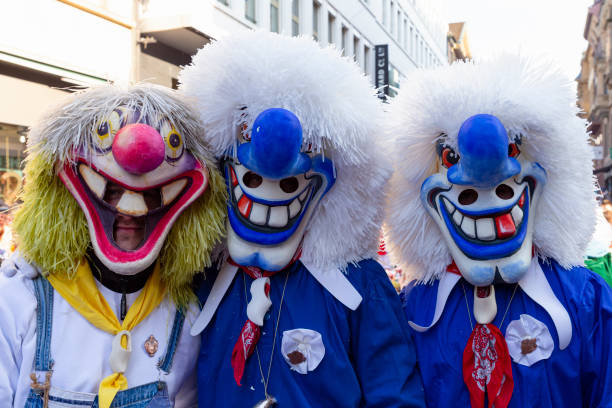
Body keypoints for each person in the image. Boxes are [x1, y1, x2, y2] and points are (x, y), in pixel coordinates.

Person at [180, 31, 425, 407]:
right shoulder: (203, 274)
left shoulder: (360, 286)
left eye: (290, 181)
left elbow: (394, 394)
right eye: (253, 178)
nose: (269, 188)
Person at [386, 55, 612, 407]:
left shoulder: (585, 300)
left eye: (511, 150)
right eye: (450, 159)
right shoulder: (414, 309)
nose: (485, 190)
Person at [0, 84, 226, 407]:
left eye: (151, 195)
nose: (130, 209)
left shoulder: (184, 314)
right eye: (111, 192)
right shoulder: (19, 298)